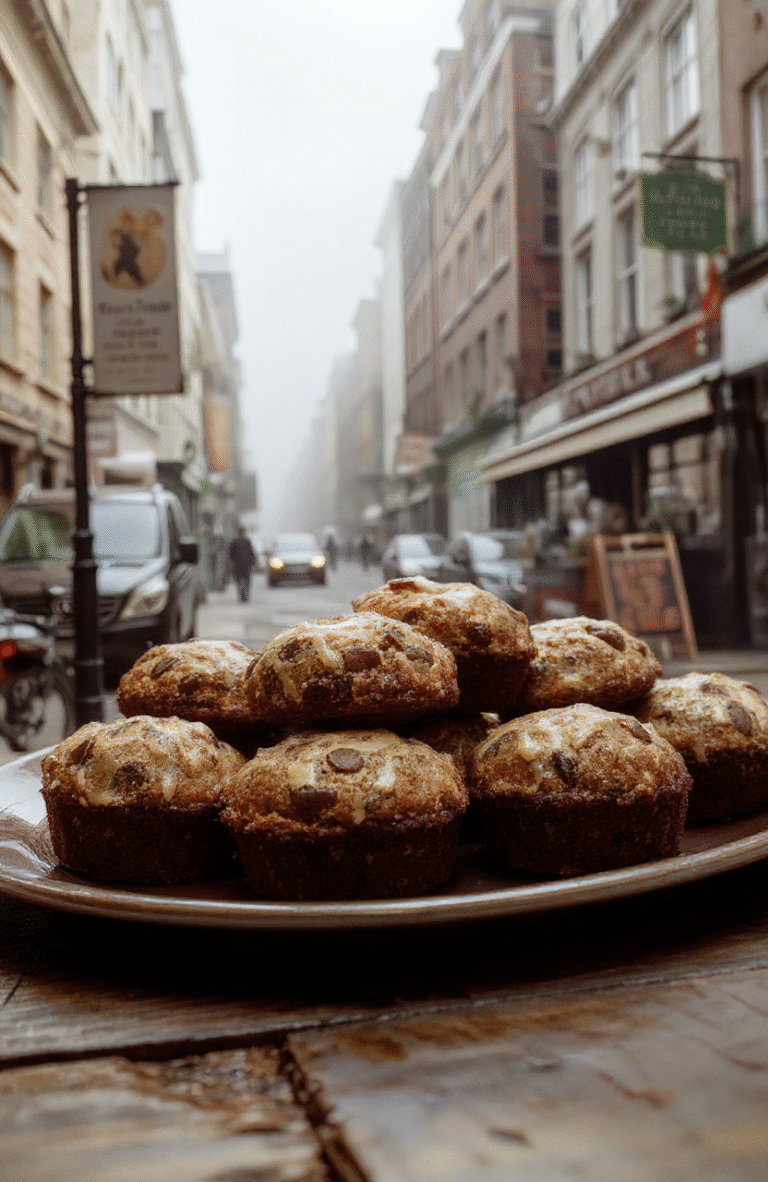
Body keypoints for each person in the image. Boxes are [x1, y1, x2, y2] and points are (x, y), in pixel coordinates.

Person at [228, 527, 256, 603]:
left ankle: (241, 596)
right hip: (246, 564)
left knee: (239, 581)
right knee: (246, 581)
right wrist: (253, 562)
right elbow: (252, 553)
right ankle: (245, 596)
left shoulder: (234, 541)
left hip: (237, 565)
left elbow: (230, 554)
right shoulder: (247, 541)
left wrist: (232, 563)